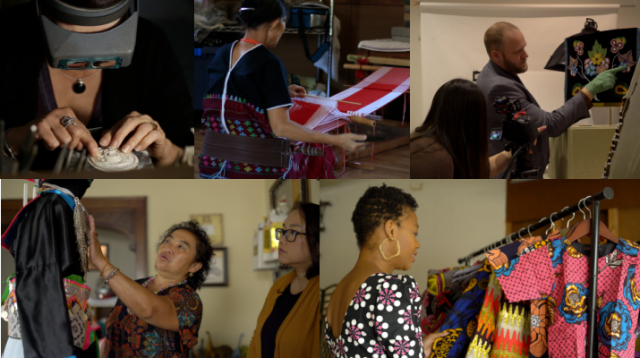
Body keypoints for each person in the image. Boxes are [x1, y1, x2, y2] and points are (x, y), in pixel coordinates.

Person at [0, 0, 193, 170]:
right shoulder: (7, 36)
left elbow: (187, 157)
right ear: (42, 7)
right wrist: (11, 142)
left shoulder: (151, 46)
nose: (87, 55)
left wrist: (165, 151)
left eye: (107, 37)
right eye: (70, 40)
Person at [199, 0, 365, 179]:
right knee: (311, 158)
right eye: (284, 23)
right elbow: (281, 128)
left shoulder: (223, 52)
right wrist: (335, 140)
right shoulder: (269, 63)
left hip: (210, 165)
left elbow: (233, 92)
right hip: (249, 169)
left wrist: (281, 91)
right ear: (276, 23)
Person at [476, 22, 626, 178]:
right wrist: (590, 90)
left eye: (524, 47)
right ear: (496, 55)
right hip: (510, 182)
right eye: (518, 51)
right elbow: (550, 124)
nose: (526, 55)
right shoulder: (498, 87)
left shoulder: (496, 75)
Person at [325, 184, 449, 358]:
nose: (417, 244)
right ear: (391, 229)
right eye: (415, 233)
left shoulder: (339, 291)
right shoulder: (391, 288)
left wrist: (418, 350)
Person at [89, 220, 214, 357]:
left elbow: (150, 310)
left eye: (181, 247)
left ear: (194, 266)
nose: (169, 248)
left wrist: (101, 262)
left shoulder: (189, 300)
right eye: (167, 241)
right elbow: (110, 339)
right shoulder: (136, 285)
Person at [1, 179, 97, 358]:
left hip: (65, 326)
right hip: (48, 335)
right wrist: (57, 347)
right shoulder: (51, 205)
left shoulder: (65, 204)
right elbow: (39, 272)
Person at [410, 79, 546, 178]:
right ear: (470, 119)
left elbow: (474, 173)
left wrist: (515, 150)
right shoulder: (436, 158)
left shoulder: (437, 145)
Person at [247, 202, 320, 358]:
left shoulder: (321, 292)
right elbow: (256, 339)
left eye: (292, 232)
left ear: (318, 242)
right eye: (283, 230)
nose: (282, 239)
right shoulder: (280, 285)